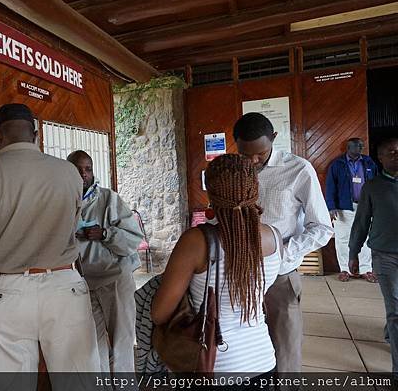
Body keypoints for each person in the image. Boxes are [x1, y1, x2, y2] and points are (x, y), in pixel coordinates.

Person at [0, 104, 100, 389]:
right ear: (35, 134)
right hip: (65, 288)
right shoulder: (68, 173)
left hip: (7, 293)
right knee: (79, 381)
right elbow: (71, 227)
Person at [152, 154, 281, 376]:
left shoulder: (196, 241)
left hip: (215, 365)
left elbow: (159, 313)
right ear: (255, 190)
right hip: (264, 361)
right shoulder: (274, 237)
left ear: (210, 191)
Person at [233, 112, 333, 373]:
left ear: (274, 139)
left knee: (285, 350)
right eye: (246, 154)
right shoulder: (234, 169)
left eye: (261, 154)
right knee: (246, 347)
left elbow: (322, 228)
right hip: (240, 274)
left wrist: (282, 253)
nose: (253, 161)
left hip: (280, 276)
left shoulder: (298, 169)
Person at [67, 150, 143, 375]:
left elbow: (133, 240)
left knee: (122, 342)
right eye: (77, 169)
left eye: (87, 169)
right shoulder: (62, 202)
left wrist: (105, 234)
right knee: (92, 346)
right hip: (82, 284)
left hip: (115, 279)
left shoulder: (109, 200)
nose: (83, 175)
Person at [349, 137, 398, 375]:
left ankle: (391, 332)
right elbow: (360, 224)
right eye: (391, 151)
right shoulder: (373, 187)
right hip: (385, 255)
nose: (396, 154)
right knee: (396, 310)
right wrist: (353, 253)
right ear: (380, 158)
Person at [325, 138, 378, 282]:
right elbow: (330, 186)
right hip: (343, 208)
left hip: (366, 207)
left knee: (366, 238)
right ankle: (345, 270)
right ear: (348, 147)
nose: (361, 148)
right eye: (357, 146)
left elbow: (376, 184)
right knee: (343, 239)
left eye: (361, 146)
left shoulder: (368, 162)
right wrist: (331, 207)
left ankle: (366, 270)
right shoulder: (337, 164)